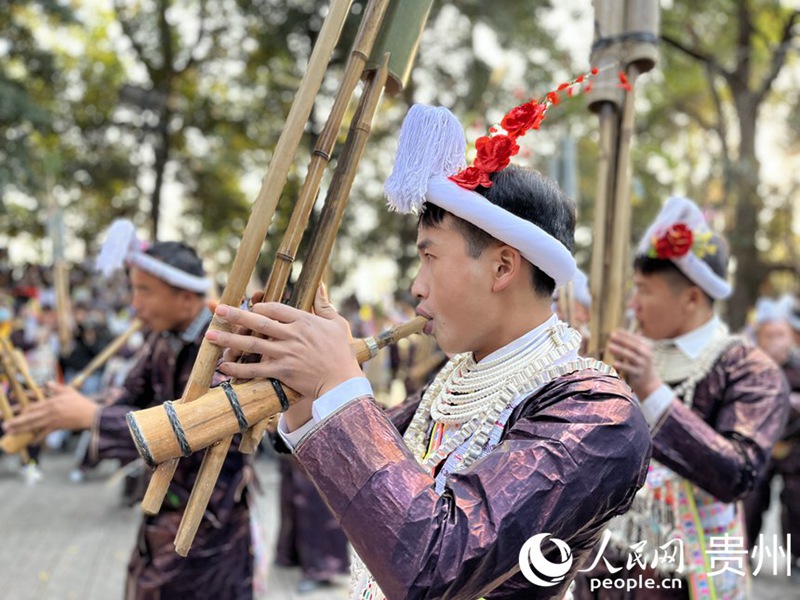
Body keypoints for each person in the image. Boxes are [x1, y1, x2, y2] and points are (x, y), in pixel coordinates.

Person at [206, 100, 651, 599]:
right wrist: (298, 377)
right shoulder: (454, 383)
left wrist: (336, 380)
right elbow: (366, 480)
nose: (416, 287)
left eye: (430, 256)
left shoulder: (598, 416)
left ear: (503, 268)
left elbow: (434, 565)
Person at [5, 223, 255, 599]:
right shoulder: (162, 339)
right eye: (134, 288)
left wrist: (91, 416)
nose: (134, 304)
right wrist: (57, 406)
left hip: (208, 525)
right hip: (161, 517)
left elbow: (193, 432)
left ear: (187, 299)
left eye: (144, 291)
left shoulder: (226, 349)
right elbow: (126, 397)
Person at [573, 197, 789, 599]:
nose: (633, 305)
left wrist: (653, 393)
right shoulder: (622, 354)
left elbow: (737, 475)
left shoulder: (751, 371)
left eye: (643, 291)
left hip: (689, 578)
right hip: (605, 569)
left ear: (691, 298)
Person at [743, 296, 800, 568]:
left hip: (794, 447)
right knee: (751, 501)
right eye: (770, 335)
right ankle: (743, 555)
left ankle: (797, 559)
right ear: (759, 337)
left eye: (782, 334)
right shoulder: (748, 367)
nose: (777, 341)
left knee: (797, 503)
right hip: (759, 446)